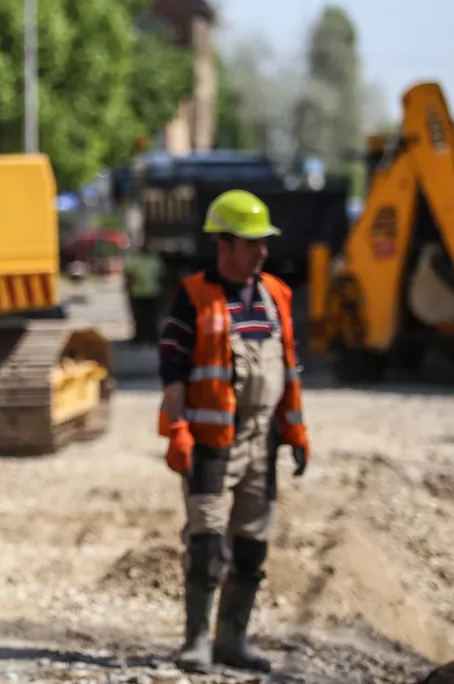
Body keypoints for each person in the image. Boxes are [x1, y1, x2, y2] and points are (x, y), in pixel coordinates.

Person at [155, 189, 310, 673]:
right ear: (223, 246)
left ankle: (233, 640)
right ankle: (197, 640)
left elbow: (289, 367)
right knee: (206, 542)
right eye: (251, 243)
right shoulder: (194, 297)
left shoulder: (276, 296)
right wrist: (177, 428)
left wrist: (296, 430)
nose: (262, 252)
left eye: (263, 242)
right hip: (210, 445)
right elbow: (173, 369)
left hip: (263, 441)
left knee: (252, 545)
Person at [124, 242, 165, 344]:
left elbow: (161, 276)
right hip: (138, 293)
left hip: (152, 293)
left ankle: (152, 338)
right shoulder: (135, 261)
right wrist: (128, 290)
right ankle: (139, 337)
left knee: (152, 317)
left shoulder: (154, 260)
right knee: (139, 317)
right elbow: (129, 276)